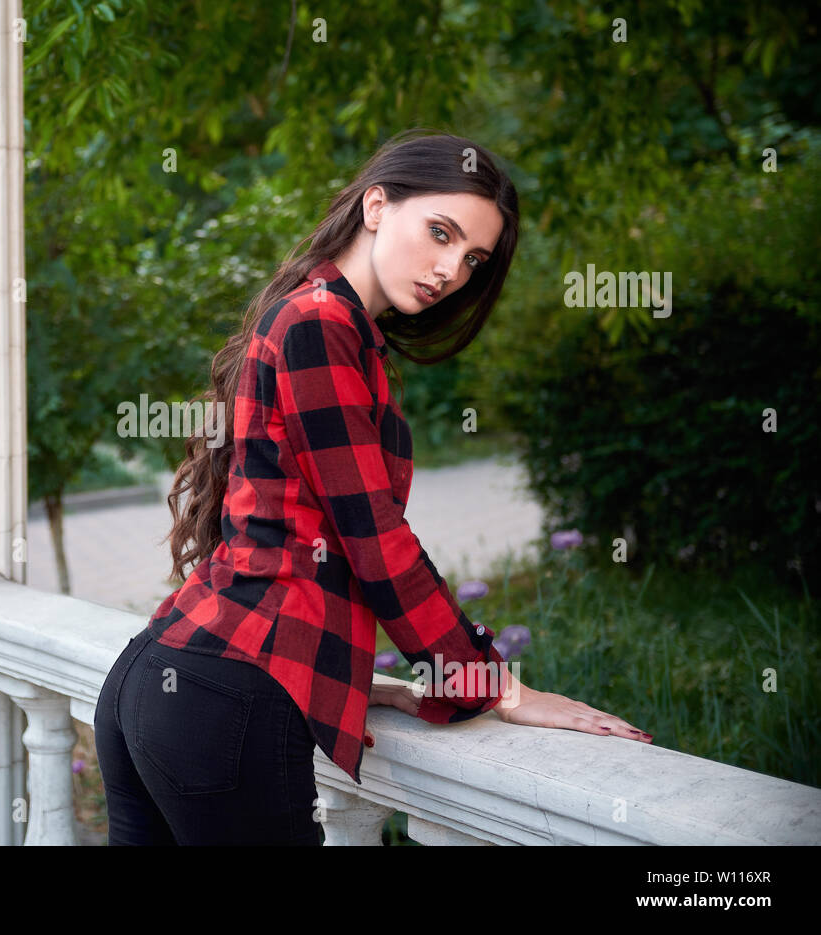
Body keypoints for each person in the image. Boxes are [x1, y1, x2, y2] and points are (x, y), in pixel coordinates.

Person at [94, 129, 652, 847]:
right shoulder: (319, 327)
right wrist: (492, 683)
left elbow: (285, 536)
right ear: (378, 204)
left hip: (163, 676)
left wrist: (347, 671)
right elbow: (375, 542)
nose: (451, 269)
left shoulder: (317, 318)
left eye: (473, 258)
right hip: (223, 699)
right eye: (441, 232)